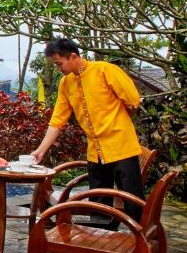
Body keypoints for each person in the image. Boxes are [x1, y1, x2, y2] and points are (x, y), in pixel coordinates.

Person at [30, 38, 144, 224]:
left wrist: (116, 123)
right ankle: (101, 243)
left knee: (132, 201)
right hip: (95, 151)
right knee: (99, 206)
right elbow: (57, 121)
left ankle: (141, 245)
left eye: (59, 63)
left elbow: (133, 102)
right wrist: (41, 150)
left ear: (73, 56)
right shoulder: (66, 84)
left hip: (122, 146)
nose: (59, 69)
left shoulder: (106, 71)